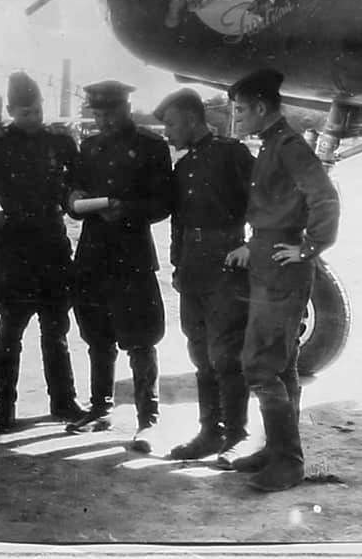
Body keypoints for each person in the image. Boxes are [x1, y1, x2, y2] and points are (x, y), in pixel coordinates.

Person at [223, 68, 340, 491]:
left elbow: (324, 197)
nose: (237, 118)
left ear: (259, 108)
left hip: (283, 268)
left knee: (258, 365)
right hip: (269, 262)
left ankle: (288, 461)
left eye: (240, 110)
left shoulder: (289, 147)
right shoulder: (273, 144)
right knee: (282, 365)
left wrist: (309, 247)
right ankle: (277, 450)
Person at [0, 71, 87, 431]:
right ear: (10, 110)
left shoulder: (60, 142)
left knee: (56, 329)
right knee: (10, 331)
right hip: (14, 245)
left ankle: (64, 402)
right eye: (24, 113)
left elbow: (77, 182)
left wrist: (73, 199)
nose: (33, 118)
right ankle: (3, 408)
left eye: (37, 111)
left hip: (53, 244)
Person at [66, 80, 173, 453]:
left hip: (132, 258)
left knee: (140, 339)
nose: (104, 120)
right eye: (97, 113)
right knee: (97, 336)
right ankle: (100, 408)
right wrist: (74, 198)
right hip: (94, 256)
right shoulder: (89, 147)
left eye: (110, 112)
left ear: (127, 108)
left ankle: (148, 421)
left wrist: (127, 210)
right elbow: (73, 192)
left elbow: (163, 203)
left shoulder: (151, 147)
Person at [152, 88, 255, 466]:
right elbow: (179, 222)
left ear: (193, 120)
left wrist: (254, 244)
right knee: (200, 353)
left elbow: (265, 200)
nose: (167, 132)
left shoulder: (232, 154)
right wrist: (178, 266)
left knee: (226, 354)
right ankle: (210, 432)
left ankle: (237, 434)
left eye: (172, 123)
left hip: (226, 263)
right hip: (193, 269)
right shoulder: (183, 167)